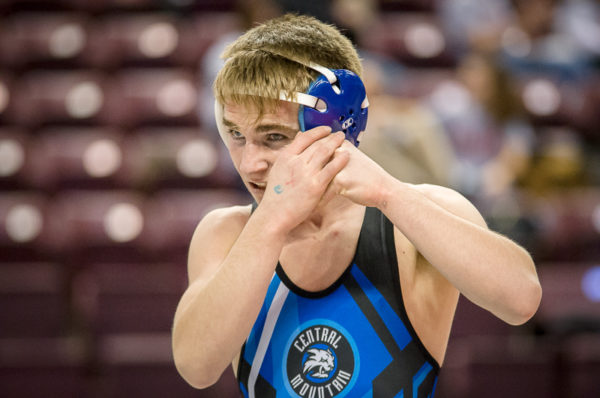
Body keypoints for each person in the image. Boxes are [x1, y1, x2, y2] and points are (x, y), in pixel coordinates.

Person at [172, 14, 542, 397]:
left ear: (340, 127)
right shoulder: (227, 233)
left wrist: (389, 194)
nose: (250, 164)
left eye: (274, 137)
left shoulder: (413, 221)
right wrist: (270, 225)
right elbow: (196, 366)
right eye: (236, 134)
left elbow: (522, 300)